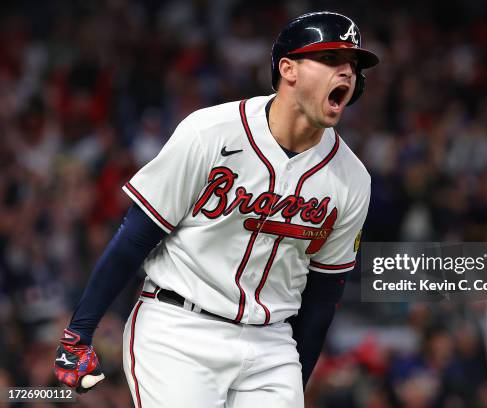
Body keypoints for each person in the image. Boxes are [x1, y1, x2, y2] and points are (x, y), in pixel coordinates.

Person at [53, 11, 378, 407]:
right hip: (181, 328)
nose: (347, 72)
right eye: (330, 59)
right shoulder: (211, 132)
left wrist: (296, 381)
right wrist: (80, 332)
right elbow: (137, 235)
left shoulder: (352, 179)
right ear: (287, 69)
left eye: (353, 65)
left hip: (272, 343)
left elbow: (325, 293)